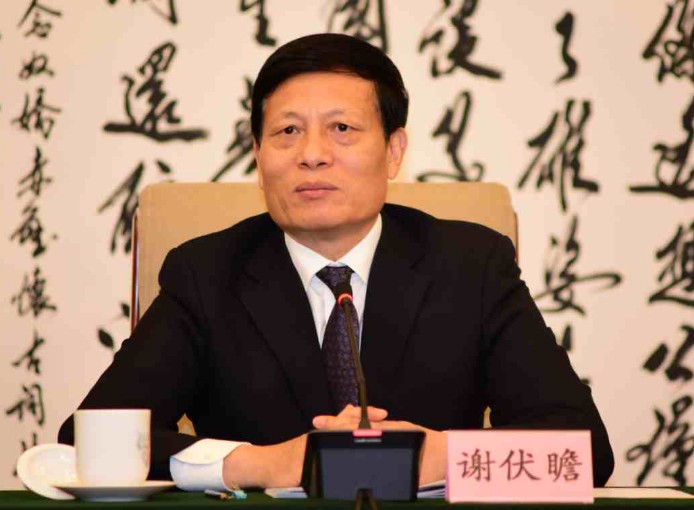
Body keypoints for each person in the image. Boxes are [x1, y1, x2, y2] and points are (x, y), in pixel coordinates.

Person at [59, 33, 614, 490]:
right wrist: (265, 463)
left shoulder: (472, 265)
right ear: (258, 155)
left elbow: (583, 451)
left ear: (393, 151)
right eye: (287, 131)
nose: (312, 154)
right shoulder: (206, 274)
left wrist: (440, 456)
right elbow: (87, 443)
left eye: (342, 129)